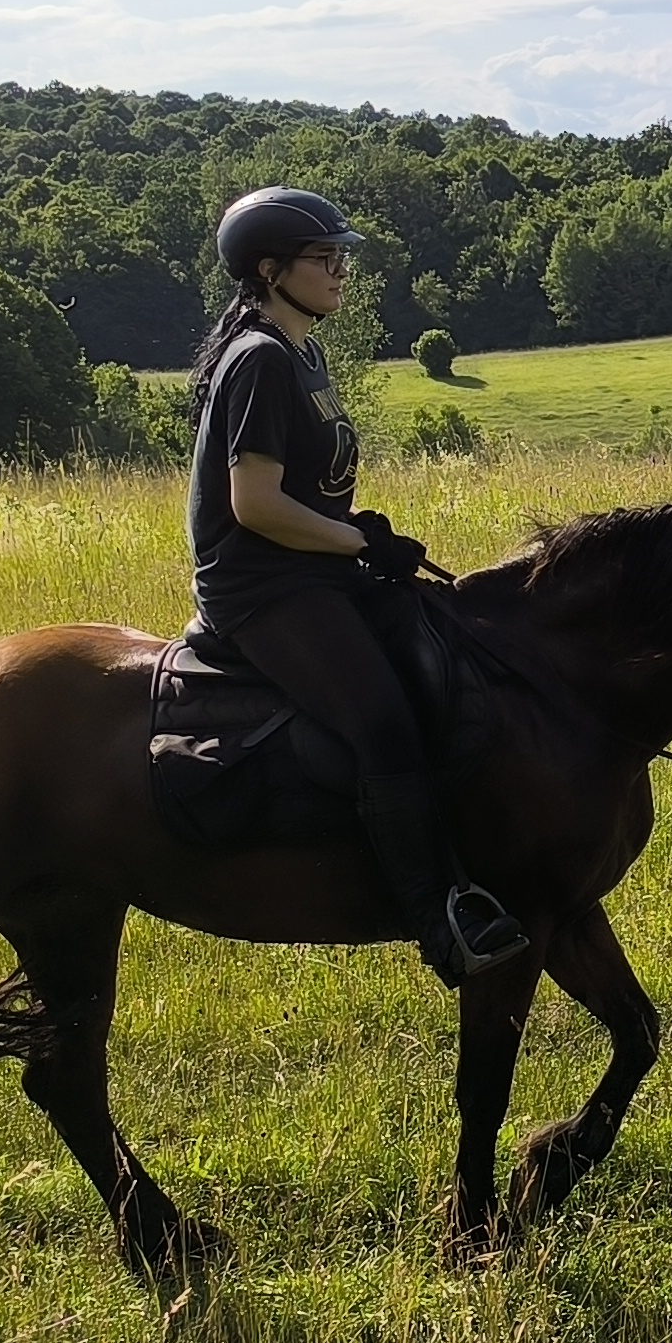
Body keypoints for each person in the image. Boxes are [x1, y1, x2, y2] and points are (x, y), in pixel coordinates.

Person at [189, 186, 534, 982]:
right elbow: (254, 505)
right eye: (325, 258)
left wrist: (360, 541)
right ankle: (435, 918)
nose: (342, 270)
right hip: (263, 590)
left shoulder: (302, 350)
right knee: (381, 721)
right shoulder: (263, 359)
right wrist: (357, 540)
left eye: (342, 256)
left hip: (315, 573)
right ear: (270, 270)